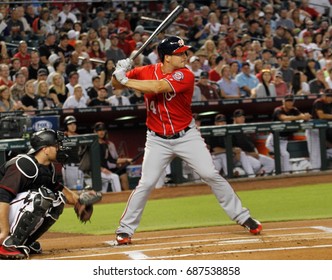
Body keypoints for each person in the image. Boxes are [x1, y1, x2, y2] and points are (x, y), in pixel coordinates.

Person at [112, 36, 262, 245]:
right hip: (157, 139)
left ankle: (243, 216)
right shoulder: (146, 70)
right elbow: (115, 86)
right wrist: (118, 71)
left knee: (210, 173)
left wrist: (125, 79)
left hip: (186, 136)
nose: (185, 56)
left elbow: (157, 87)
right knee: (145, 184)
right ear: (166, 57)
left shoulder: (186, 74)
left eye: (185, 52)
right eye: (179, 53)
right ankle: (124, 230)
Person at [0, 129, 81, 259]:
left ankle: (24, 241)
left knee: (57, 201)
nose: (60, 149)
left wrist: (80, 202)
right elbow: (2, 196)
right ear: (45, 149)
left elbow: (61, 191)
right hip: (1, 212)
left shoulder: (49, 168)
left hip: (8, 210)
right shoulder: (24, 164)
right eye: (56, 146)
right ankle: (8, 245)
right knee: (40, 197)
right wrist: (4, 231)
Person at [266, 94, 312, 173]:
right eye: (287, 101)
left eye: (291, 101)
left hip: (284, 140)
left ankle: (280, 172)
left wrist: (305, 116)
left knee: (283, 156)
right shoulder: (278, 109)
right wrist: (300, 117)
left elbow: (302, 116)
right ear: (283, 102)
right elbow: (284, 118)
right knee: (285, 155)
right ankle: (286, 173)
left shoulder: (294, 109)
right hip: (274, 138)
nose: (290, 103)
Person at [232, 109, 275, 176]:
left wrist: (255, 153)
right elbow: (235, 150)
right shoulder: (232, 130)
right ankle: (251, 177)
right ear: (234, 119)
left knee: (271, 162)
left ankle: (260, 177)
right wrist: (249, 154)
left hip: (252, 154)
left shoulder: (246, 129)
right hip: (241, 157)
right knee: (256, 164)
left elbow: (251, 145)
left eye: (243, 117)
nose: (242, 119)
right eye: (239, 117)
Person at [93, 122, 128, 193]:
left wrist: (126, 160)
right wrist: (101, 169)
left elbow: (112, 160)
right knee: (114, 177)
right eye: (99, 130)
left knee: (102, 193)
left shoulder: (105, 144)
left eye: (103, 130)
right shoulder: (92, 144)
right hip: (95, 172)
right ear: (95, 132)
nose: (101, 132)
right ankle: (119, 198)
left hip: (104, 172)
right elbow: (90, 160)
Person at [305, 89, 332, 170]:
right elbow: (321, 116)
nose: (330, 98)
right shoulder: (319, 102)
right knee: (315, 157)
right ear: (323, 96)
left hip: (324, 131)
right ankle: (312, 173)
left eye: (331, 96)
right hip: (313, 130)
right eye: (328, 96)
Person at [62, 116, 85, 190]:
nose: (73, 126)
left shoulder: (79, 137)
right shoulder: (63, 137)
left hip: (79, 167)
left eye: (74, 124)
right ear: (66, 126)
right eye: (70, 124)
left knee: (80, 189)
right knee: (70, 190)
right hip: (68, 167)